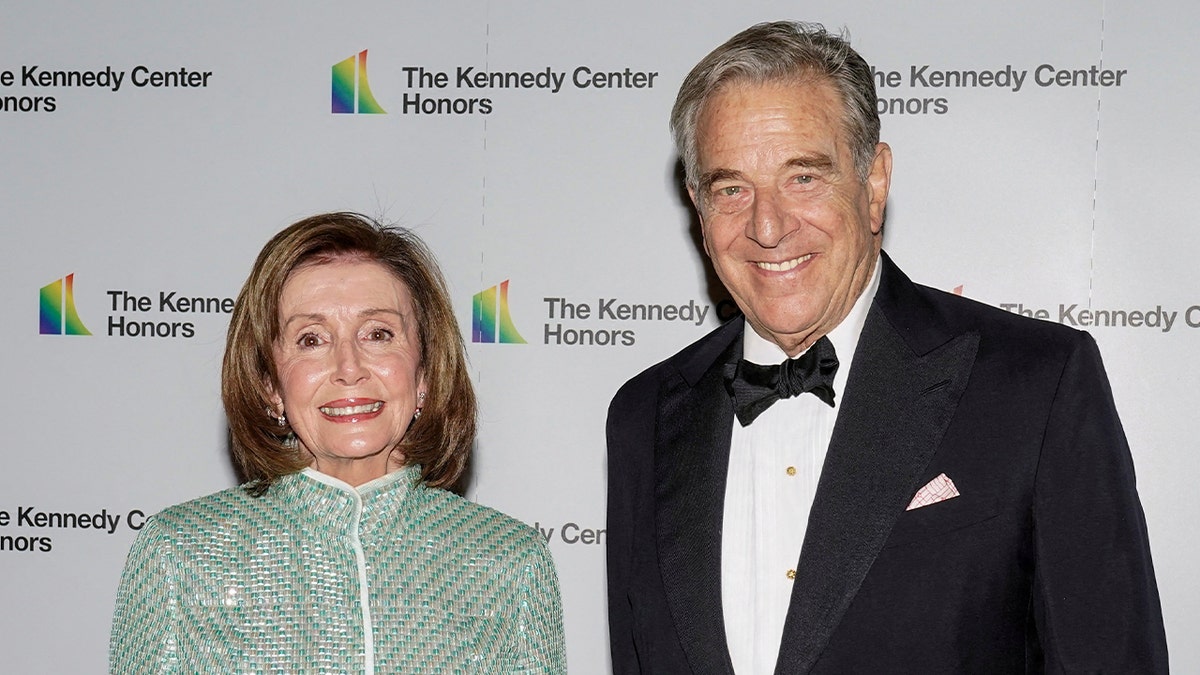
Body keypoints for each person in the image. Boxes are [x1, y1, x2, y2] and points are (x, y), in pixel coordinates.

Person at [606, 21, 1168, 674]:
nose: (767, 225)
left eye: (804, 177)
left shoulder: (1033, 386)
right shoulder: (642, 415)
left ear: (874, 183)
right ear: (698, 206)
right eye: (732, 188)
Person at [110, 212, 567, 673]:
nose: (349, 367)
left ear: (424, 371)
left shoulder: (507, 558)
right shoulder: (182, 551)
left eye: (378, 334)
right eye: (311, 339)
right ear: (270, 383)